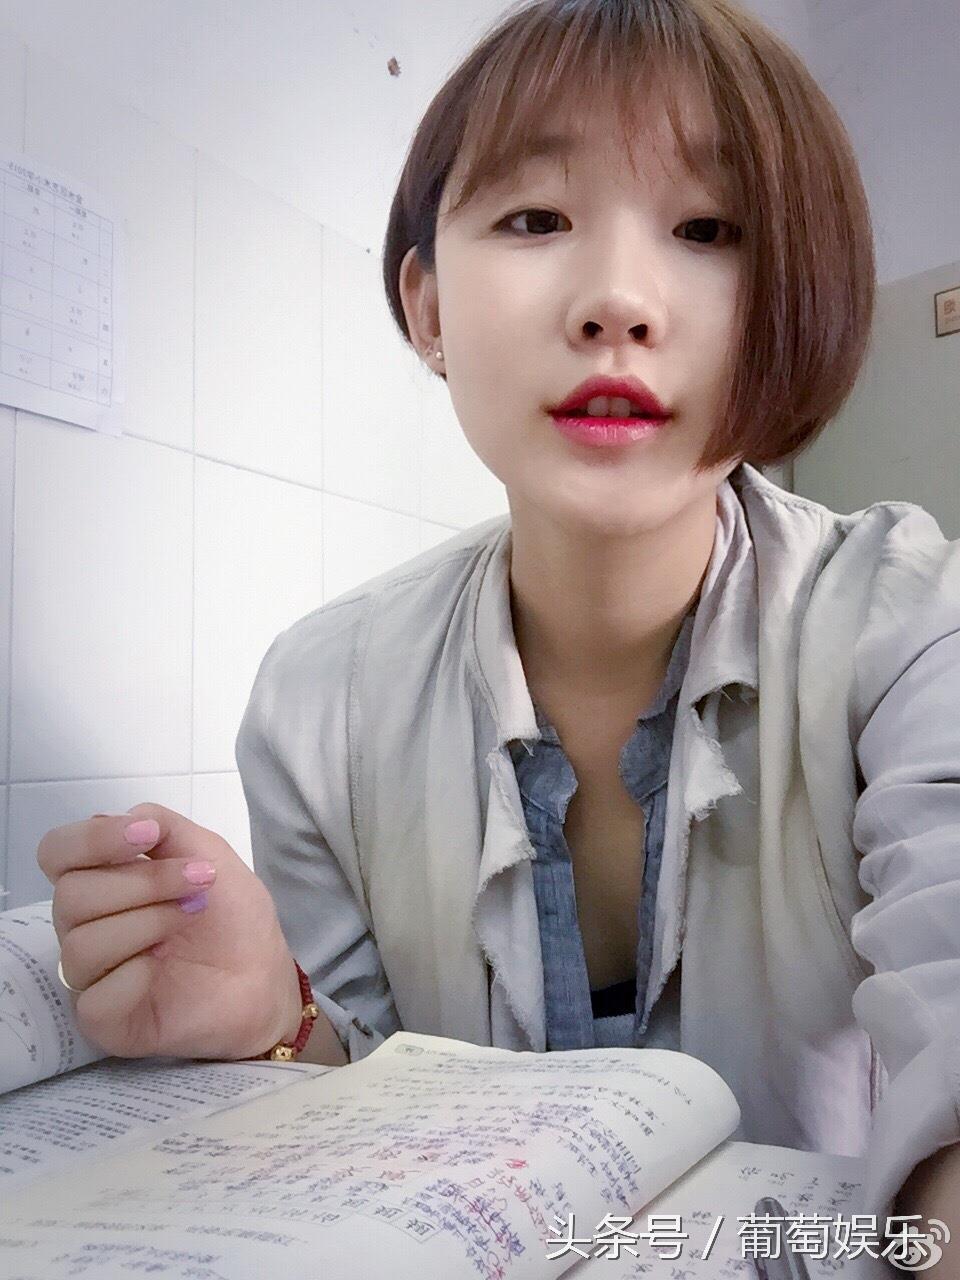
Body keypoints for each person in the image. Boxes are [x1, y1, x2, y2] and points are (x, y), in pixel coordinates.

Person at [35, 0, 960, 1235]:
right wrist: (276, 1016)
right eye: (535, 218)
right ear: (427, 308)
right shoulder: (318, 700)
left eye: (707, 228)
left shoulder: (911, 623)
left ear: (791, 293)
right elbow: (375, 1113)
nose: (618, 301)